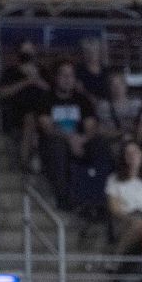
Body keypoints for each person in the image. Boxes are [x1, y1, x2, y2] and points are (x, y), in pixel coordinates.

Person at [37, 60, 97, 205]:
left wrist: (81, 139)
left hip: (79, 142)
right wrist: (70, 138)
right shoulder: (46, 99)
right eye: (63, 75)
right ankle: (64, 197)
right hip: (54, 142)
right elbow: (47, 127)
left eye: (70, 76)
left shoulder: (82, 100)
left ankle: (97, 197)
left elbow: (91, 127)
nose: (67, 79)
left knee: (99, 145)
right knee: (58, 146)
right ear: (56, 78)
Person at [106, 140, 142, 258]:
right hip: (124, 218)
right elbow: (114, 207)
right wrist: (130, 218)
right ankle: (117, 256)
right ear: (124, 157)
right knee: (138, 223)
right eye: (128, 153)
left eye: (135, 152)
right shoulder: (114, 179)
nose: (132, 156)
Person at [0, 40, 49, 169]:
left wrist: (37, 80)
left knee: (37, 120)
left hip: (43, 110)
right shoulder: (11, 72)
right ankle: (25, 161)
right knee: (30, 118)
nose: (27, 54)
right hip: (18, 111)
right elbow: (2, 93)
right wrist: (26, 81)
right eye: (24, 51)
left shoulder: (43, 72)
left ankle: (35, 158)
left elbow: (52, 91)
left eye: (30, 51)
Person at [95, 70, 142, 139]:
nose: (117, 88)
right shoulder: (103, 106)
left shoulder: (137, 104)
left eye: (120, 84)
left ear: (125, 85)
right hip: (112, 142)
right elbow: (100, 130)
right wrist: (119, 134)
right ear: (109, 87)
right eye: (113, 85)